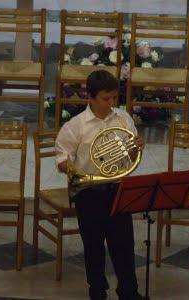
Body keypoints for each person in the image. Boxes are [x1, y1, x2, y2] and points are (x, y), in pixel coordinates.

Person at [56, 70, 145, 300]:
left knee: (124, 245)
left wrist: (136, 147)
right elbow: (62, 159)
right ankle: (97, 291)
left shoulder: (123, 119)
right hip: (88, 192)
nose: (111, 103)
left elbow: (130, 153)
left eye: (114, 98)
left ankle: (129, 291)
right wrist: (75, 170)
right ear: (91, 97)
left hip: (118, 189)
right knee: (93, 247)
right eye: (106, 98)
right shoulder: (75, 126)